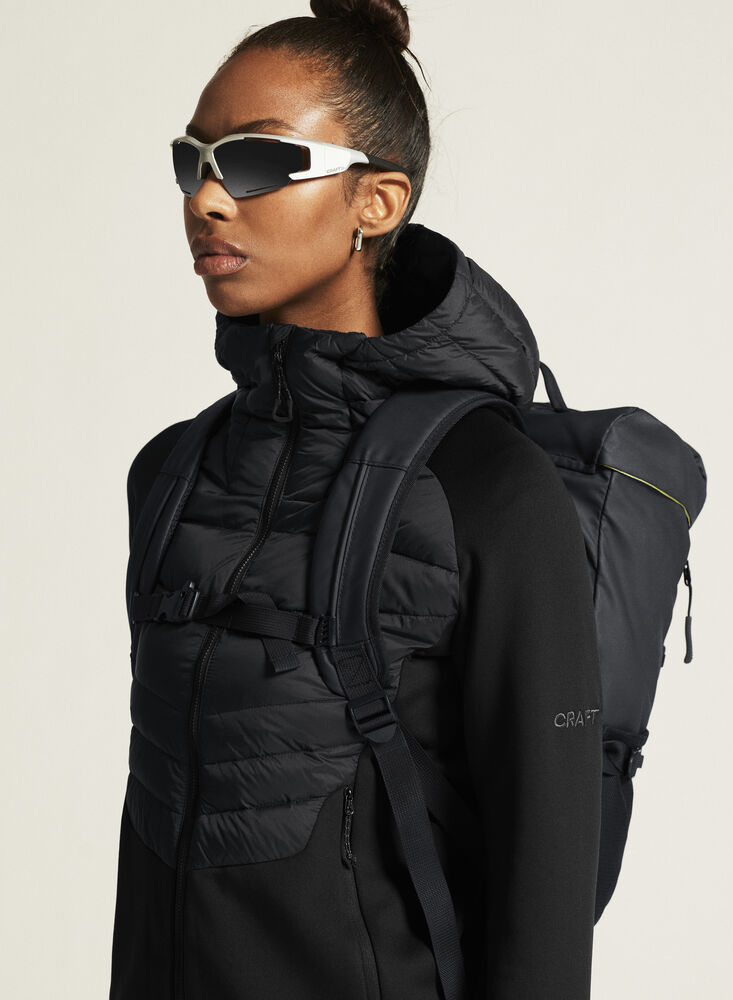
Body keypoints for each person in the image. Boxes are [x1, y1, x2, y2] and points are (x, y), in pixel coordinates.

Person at [109, 2, 603, 998]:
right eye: (192, 161)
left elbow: (545, 887)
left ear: (375, 202)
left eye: (257, 161)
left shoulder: (487, 485)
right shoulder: (171, 473)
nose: (208, 199)